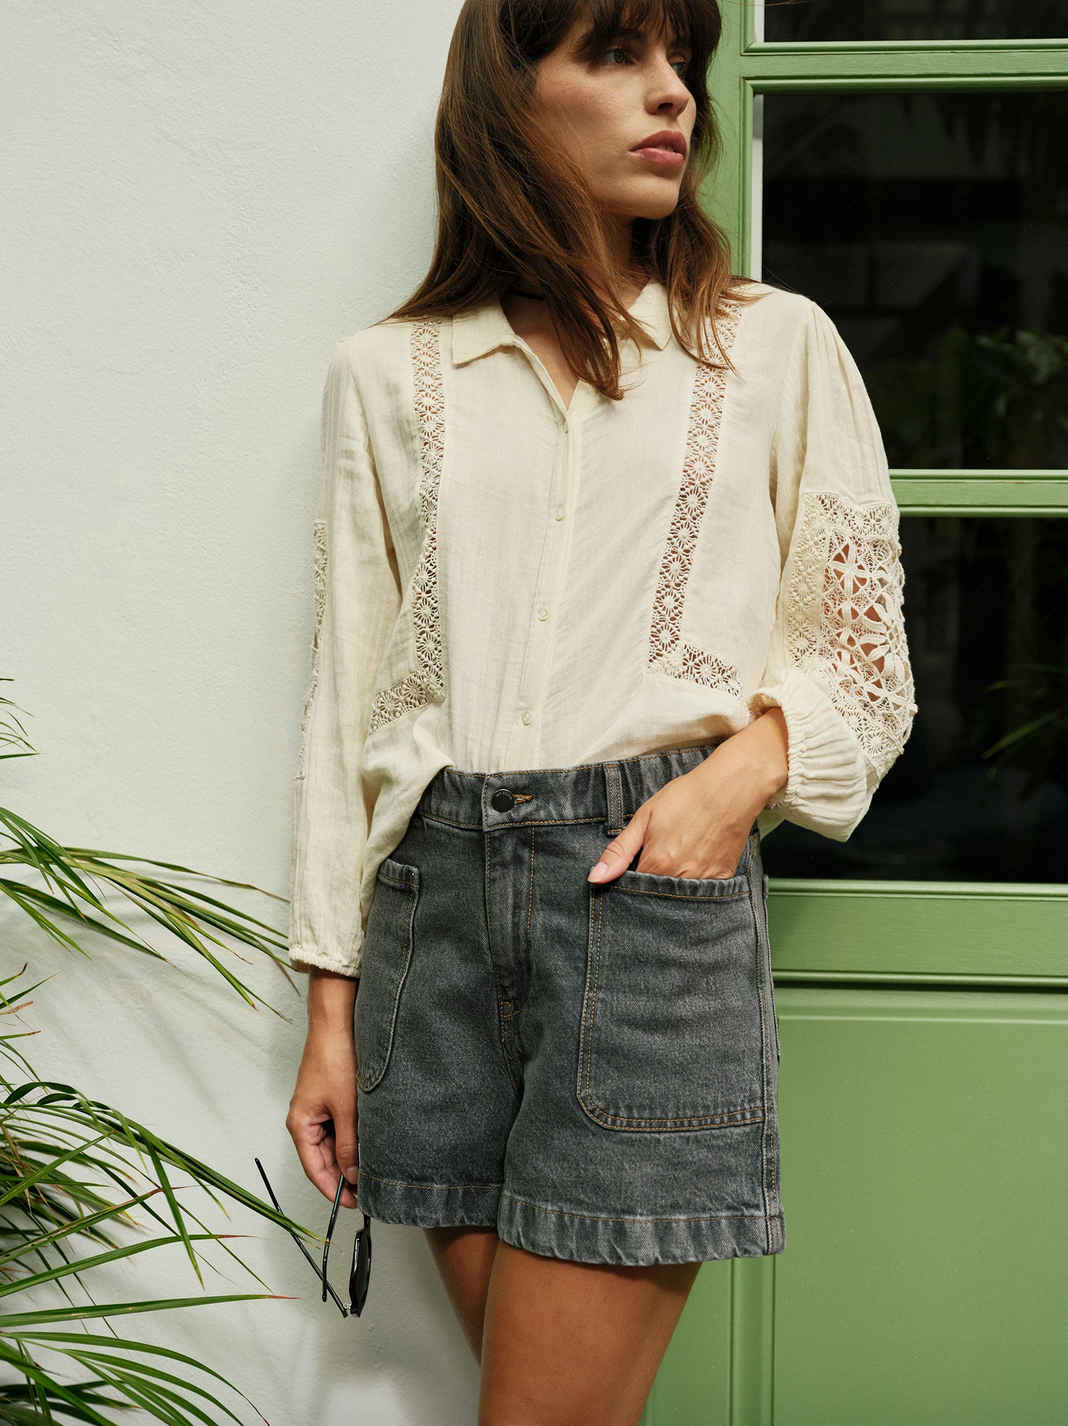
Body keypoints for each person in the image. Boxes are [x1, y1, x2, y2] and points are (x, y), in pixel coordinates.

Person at [285, 0, 916, 1421]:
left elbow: (866, 663)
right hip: (429, 930)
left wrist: (731, 777)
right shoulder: (387, 378)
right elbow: (348, 707)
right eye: (617, 56)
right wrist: (332, 1010)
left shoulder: (773, 348)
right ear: (512, 100)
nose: (673, 94)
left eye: (679, 61)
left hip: (645, 907)